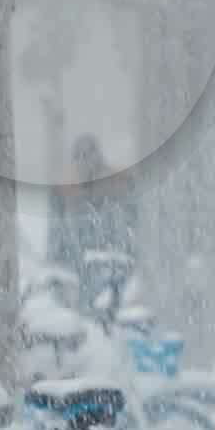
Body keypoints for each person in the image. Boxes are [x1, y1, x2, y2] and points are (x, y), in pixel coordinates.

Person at [45, 135, 139, 316]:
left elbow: (130, 224)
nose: (85, 162)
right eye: (81, 157)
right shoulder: (62, 190)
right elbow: (56, 232)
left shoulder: (118, 185)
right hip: (84, 266)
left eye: (88, 155)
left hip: (106, 266)